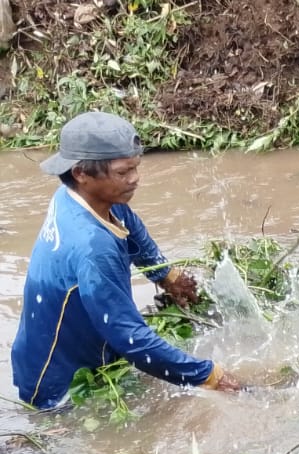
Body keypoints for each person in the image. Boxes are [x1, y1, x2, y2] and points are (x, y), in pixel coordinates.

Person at [10, 111, 241, 408]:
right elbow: (131, 339)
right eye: (122, 172)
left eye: (136, 167)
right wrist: (209, 376)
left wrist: (167, 276)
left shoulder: (74, 197)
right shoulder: (92, 247)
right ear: (81, 172)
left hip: (59, 353)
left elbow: (129, 225)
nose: (135, 179)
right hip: (61, 388)